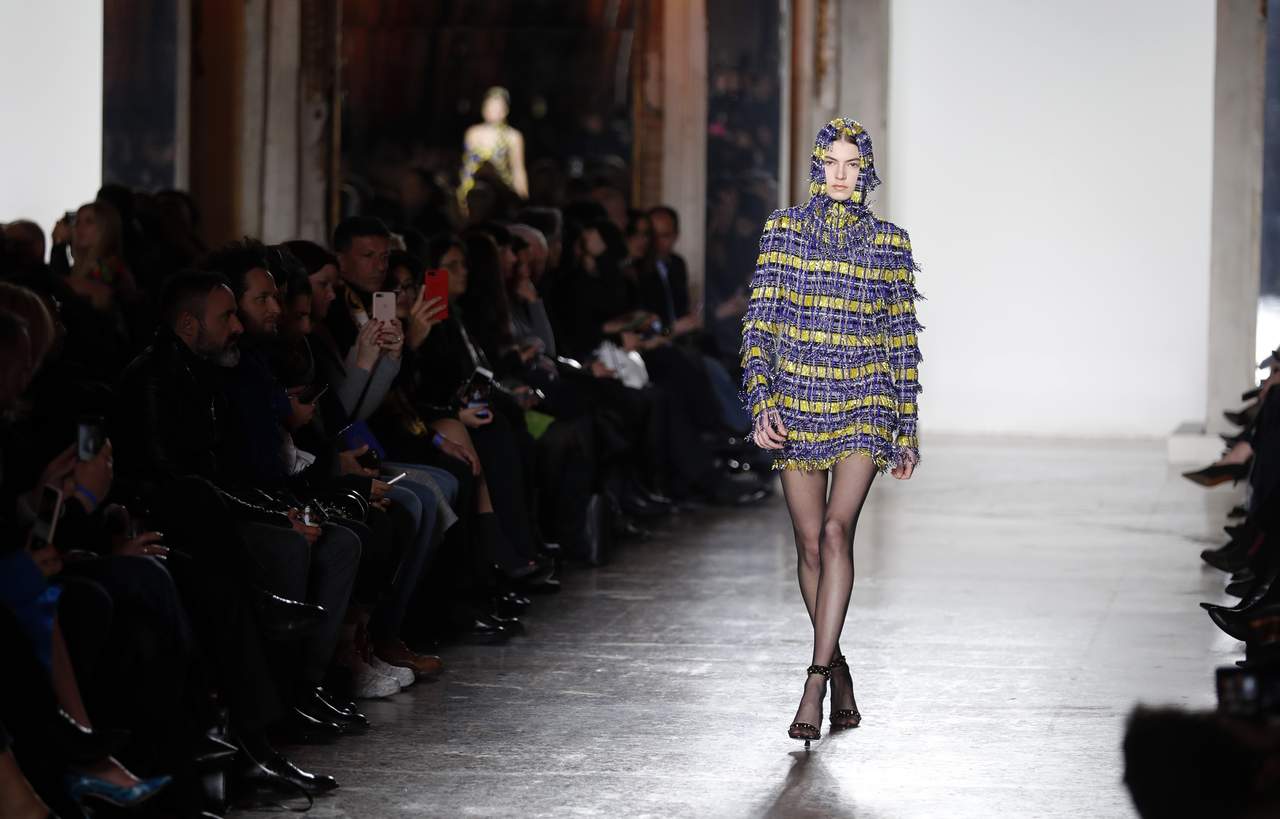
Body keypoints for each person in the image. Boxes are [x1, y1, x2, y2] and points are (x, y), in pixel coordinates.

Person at [740, 118, 923, 744]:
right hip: (797, 398)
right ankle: (840, 670)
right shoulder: (783, 231)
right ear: (817, 166)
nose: (841, 174)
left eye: (852, 163)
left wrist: (905, 430)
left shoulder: (889, 243)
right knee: (810, 544)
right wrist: (762, 402)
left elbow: (901, 343)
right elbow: (760, 323)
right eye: (831, 162)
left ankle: (815, 681)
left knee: (837, 532)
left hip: (865, 400)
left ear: (866, 170)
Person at [457, 87, 529, 210]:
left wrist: (522, 199)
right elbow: (466, 167)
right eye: (488, 106)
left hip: (501, 192)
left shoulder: (513, 136)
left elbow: (518, 169)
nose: (491, 110)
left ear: (505, 110)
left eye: (497, 107)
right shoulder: (472, 133)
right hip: (474, 190)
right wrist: (462, 195)